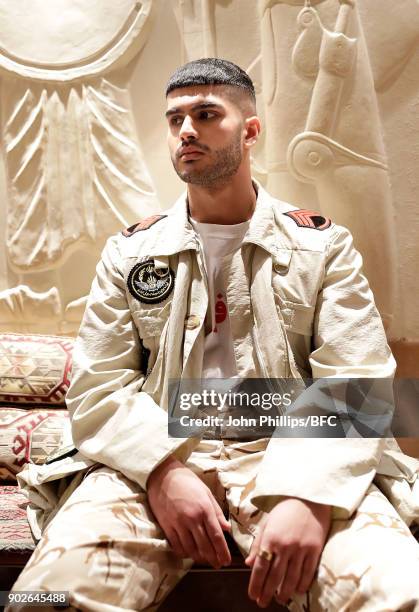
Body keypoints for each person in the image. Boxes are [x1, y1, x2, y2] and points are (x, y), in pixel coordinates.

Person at [7, 58, 419, 612]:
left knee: (398, 593)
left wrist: (311, 497)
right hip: (153, 456)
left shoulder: (323, 248)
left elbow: (357, 380)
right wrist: (161, 470)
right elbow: (98, 385)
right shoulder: (130, 252)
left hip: (292, 453)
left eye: (206, 114)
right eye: (176, 118)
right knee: (45, 598)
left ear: (250, 131)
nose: (186, 131)